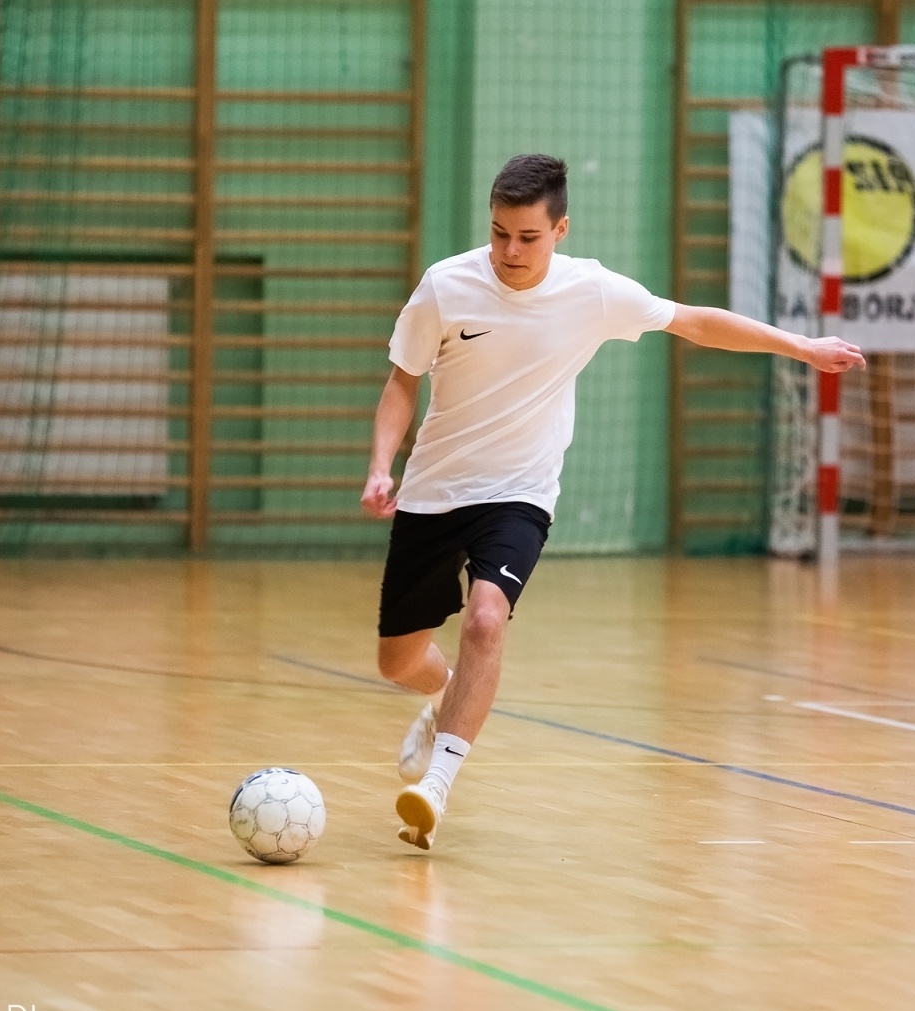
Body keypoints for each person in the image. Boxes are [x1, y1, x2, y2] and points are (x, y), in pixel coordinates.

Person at [361, 153, 865, 850]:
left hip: (519, 494)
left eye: (528, 237)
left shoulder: (592, 292)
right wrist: (380, 466)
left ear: (560, 229)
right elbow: (401, 382)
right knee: (397, 662)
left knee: (485, 620)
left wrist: (800, 346)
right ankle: (445, 696)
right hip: (436, 490)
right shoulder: (446, 286)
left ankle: (436, 788)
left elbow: (695, 322)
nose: (510, 250)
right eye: (500, 233)